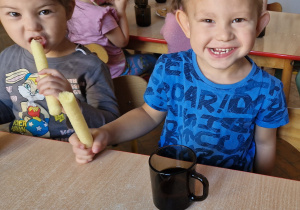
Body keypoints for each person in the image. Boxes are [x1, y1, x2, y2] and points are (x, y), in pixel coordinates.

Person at [69, 0, 289, 175]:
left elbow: (265, 143)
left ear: (259, 25)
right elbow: (147, 114)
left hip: (232, 182)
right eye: (208, 20)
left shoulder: (268, 89)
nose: (224, 35)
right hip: (173, 175)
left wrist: (258, 184)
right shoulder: (171, 68)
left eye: (239, 19)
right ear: (185, 24)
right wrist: (107, 133)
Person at [0, 0, 119, 141]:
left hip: (74, 151)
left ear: (69, 10)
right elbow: (7, 107)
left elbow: (111, 124)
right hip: (25, 148)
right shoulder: (7, 57)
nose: (32, 26)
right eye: (14, 14)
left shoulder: (91, 66)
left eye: (45, 12)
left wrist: (72, 105)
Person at [67, 0, 157, 78]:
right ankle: (139, 91)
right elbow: (123, 42)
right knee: (153, 59)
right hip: (113, 72)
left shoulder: (69, 9)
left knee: (126, 53)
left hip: (88, 71)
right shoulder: (101, 16)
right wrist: (121, 11)